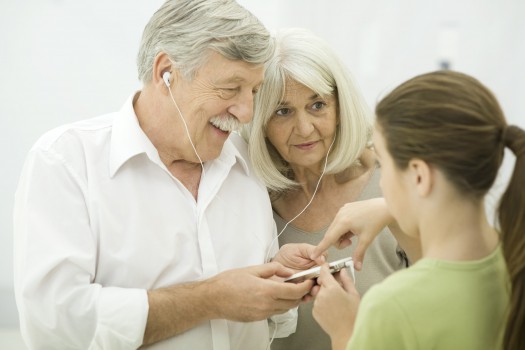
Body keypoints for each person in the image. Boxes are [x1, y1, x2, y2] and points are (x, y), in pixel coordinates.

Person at [13, 1, 319, 349]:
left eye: (254, 90)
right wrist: (210, 299)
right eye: (231, 88)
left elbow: (265, 321)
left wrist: (278, 276)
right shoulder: (65, 160)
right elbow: (53, 324)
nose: (246, 112)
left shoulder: (247, 161)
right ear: (165, 72)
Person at [311, 70, 525, 350]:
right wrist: (392, 209)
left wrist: (345, 333)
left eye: (383, 164)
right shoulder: (513, 260)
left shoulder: (391, 307)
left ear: (420, 177)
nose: (382, 182)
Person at [242, 28, 409, 350]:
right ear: (260, 122)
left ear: (340, 105)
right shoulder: (250, 199)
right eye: (282, 111)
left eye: (317, 105)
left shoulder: (390, 182)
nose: (304, 128)